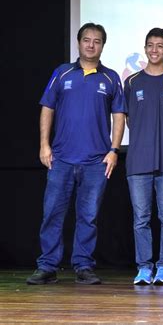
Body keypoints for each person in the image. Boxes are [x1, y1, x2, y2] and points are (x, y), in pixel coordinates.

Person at [26, 23, 126, 285]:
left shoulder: (111, 78)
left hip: (96, 162)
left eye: (97, 41)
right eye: (86, 40)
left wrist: (114, 150)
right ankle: (47, 265)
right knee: (52, 214)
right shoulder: (61, 73)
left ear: (103, 45)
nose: (91, 45)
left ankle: (83, 265)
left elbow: (119, 116)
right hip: (61, 159)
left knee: (88, 216)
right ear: (78, 43)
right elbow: (47, 108)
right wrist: (44, 145)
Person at [124, 28, 163, 285]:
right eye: (150, 45)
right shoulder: (132, 82)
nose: (154, 50)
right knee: (141, 218)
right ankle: (144, 266)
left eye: (160, 46)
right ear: (145, 47)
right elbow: (128, 120)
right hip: (138, 160)